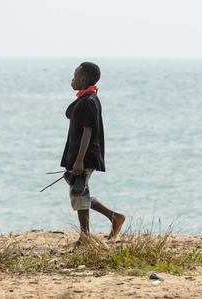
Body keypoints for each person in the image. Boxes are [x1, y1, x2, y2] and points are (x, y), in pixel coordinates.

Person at [61, 62, 126, 247]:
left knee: (79, 192)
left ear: (83, 79)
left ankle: (85, 237)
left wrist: (80, 160)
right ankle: (114, 217)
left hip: (86, 156)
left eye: (74, 76)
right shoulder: (86, 99)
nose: (72, 79)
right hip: (81, 155)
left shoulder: (89, 101)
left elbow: (87, 132)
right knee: (80, 190)